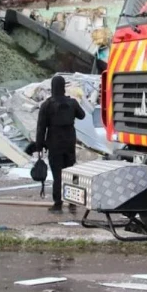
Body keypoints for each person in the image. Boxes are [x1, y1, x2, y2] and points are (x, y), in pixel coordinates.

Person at [35, 75, 86, 213]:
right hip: (69, 142)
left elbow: (41, 127)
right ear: (64, 87)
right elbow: (82, 115)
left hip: (54, 143)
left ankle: (58, 204)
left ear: (52, 87)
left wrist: (39, 145)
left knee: (57, 174)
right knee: (70, 172)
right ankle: (72, 203)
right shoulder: (72, 103)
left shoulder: (47, 105)